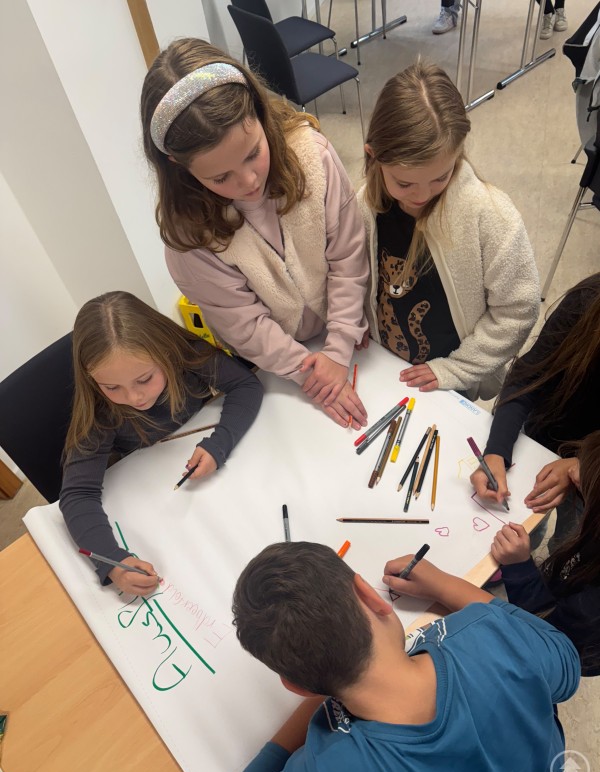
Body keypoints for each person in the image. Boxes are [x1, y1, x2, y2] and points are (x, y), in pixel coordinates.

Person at [227, 541, 579, 772]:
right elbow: (566, 660)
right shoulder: (488, 633)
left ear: (295, 687)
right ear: (370, 595)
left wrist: (319, 688)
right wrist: (444, 585)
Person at [140, 39, 369, 431]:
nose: (248, 182)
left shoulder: (313, 155)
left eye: (252, 153)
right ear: (177, 165)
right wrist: (312, 373)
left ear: (260, 114)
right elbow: (245, 325)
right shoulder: (188, 238)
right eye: (220, 177)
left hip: (350, 335)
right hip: (277, 364)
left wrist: (340, 343)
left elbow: (348, 256)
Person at [59, 291, 263, 595]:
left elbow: (245, 384)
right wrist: (113, 561)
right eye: (112, 387)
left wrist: (219, 443)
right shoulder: (98, 412)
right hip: (150, 494)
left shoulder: (187, 354)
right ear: (92, 381)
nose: (134, 397)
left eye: (144, 379)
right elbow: (77, 494)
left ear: (165, 353)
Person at [358, 62, 540, 401]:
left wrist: (457, 369)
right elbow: (350, 280)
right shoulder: (361, 208)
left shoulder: (491, 216)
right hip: (382, 367)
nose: (422, 195)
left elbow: (519, 308)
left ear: (457, 154)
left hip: (451, 382)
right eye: (404, 182)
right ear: (373, 158)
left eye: (440, 177)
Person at [471, 274, 599, 550]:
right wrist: (497, 450)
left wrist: (583, 465)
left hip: (593, 480)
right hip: (543, 439)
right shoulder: (589, 298)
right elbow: (529, 378)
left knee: (571, 549)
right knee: (527, 523)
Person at [491, 430, 600, 677]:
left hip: (557, 648)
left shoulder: (589, 610)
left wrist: (519, 569)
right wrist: (577, 462)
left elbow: (546, 636)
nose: (574, 474)